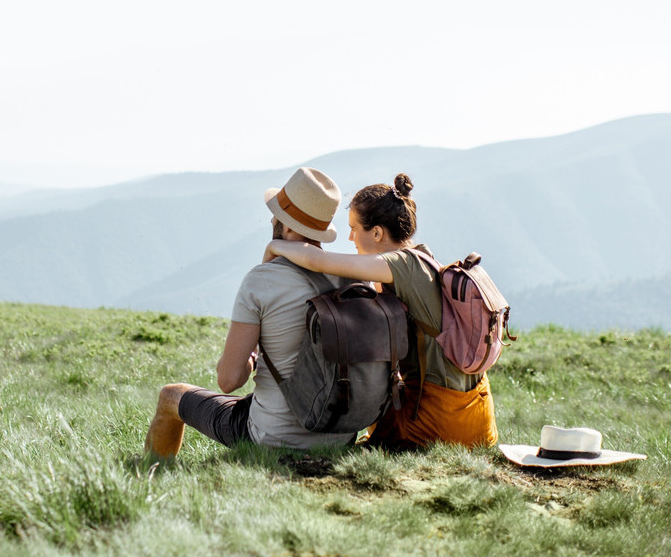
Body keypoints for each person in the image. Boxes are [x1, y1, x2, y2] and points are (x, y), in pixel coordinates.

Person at [264, 173, 497, 449]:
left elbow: (317, 261)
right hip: (477, 417)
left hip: (440, 423)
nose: (350, 237)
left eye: (354, 228)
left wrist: (274, 247)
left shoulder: (401, 264)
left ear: (376, 233)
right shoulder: (423, 257)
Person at [144, 167, 356, 458]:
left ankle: (151, 471)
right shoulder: (354, 279)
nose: (271, 219)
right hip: (341, 437)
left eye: (277, 215)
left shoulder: (261, 281)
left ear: (289, 227)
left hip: (272, 437)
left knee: (171, 395)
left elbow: (228, 381)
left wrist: (253, 356)